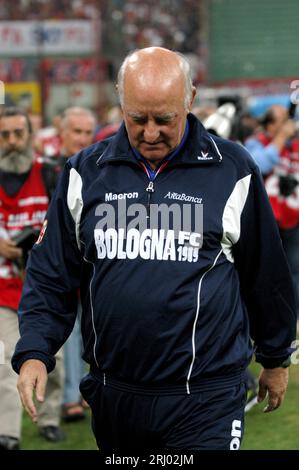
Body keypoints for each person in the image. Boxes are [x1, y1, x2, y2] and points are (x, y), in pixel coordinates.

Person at [12, 48, 296, 452]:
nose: (149, 133)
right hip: (116, 395)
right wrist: (36, 351)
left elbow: (266, 276)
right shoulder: (84, 172)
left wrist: (275, 356)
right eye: (137, 118)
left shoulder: (232, 169)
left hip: (208, 396)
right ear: (120, 101)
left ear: (190, 100)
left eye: (164, 119)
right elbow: (49, 274)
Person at [0, 107, 65, 449]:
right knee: (6, 360)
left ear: (29, 136)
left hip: (47, 288)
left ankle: (50, 418)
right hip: (4, 289)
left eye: (17, 133)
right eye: (4, 134)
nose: (11, 141)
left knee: (53, 360)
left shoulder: (52, 173)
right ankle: (8, 433)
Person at [245, 105, 299, 333]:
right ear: (269, 125)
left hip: (292, 218)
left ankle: (293, 318)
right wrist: (280, 139)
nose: (287, 126)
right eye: (281, 121)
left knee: (294, 272)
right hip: (264, 221)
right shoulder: (254, 143)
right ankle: (263, 319)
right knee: (264, 272)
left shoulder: (294, 145)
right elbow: (259, 165)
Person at [57, 106, 96, 422]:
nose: (82, 139)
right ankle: (70, 396)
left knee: (91, 328)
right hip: (62, 263)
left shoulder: (97, 168)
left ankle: (85, 389)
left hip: (92, 263)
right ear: (63, 133)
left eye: (87, 133)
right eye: (77, 132)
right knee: (69, 331)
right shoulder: (49, 169)